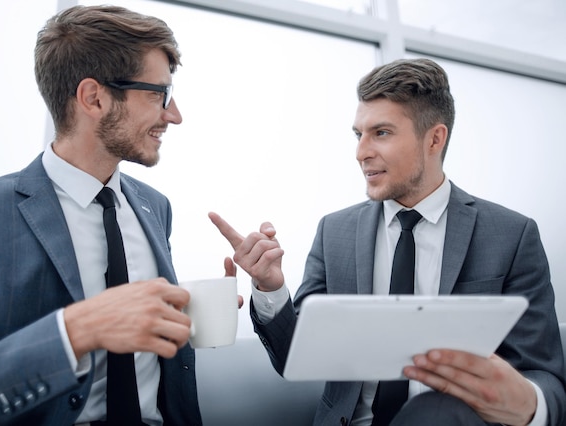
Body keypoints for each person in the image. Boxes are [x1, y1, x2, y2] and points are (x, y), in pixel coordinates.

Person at [209, 58, 566, 425]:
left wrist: (527, 405)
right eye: (358, 134)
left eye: (381, 133)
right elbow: (295, 358)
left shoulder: (510, 235)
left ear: (434, 139)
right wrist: (271, 288)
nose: (361, 152)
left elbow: (545, 378)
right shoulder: (335, 232)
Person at [0, 5, 222, 425]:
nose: (174, 115)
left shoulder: (155, 207)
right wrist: (72, 332)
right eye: (158, 94)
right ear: (94, 98)